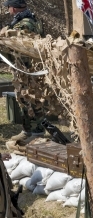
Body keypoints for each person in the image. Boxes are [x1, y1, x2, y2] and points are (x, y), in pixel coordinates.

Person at [2, 0, 45, 142]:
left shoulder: (24, 24)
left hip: (26, 69)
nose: (8, 10)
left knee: (27, 99)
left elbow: (19, 46)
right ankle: (32, 130)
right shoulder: (30, 19)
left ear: (13, 8)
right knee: (31, 99)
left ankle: (33, 132)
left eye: (8, 7)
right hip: (28, 67)